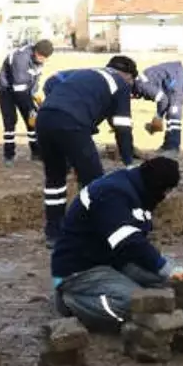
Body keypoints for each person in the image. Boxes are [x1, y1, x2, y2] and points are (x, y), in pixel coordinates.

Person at [50, 157, 183, 332]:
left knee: (171, 284)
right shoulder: (111, 193)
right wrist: (165, 267)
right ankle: (71, 302)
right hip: (80, 270)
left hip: (113, 261)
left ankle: (116, 288)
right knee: (136, 304)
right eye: (165, 191)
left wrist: (171, 271)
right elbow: (127, 240)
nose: (164, 197)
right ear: (156, 185)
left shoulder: (138, 188)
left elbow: (138, 242)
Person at [35, 56, 138, 246]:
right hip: (72, 124)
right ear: (128, 77)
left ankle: (54, 234)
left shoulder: (86, 72)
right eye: (132, 83)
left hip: (44, 119)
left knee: (55, 180)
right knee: (94, 181)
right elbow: (123, 127)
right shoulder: (121, 85)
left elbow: (52, 83)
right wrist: (129, 161)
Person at [0, 39, 54, 166]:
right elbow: (19, 88)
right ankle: (9, 155)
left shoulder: (38, 58)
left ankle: (36, 152)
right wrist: (31, 109)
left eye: (45, 58)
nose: (43, 60)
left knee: (32, 121)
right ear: (35, 52)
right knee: (10, 121)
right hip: (7, 90)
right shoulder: (20, 58)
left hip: (24, 90)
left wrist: (36, 98)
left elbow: (34, 79)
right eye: (41, 57)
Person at [134, 61, 183, 156]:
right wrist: (158, 117)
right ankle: (167, 146)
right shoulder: (141, 82)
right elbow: (161, 98)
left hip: (176, 80)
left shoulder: (141, 85)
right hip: (175, 80)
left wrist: (158, 116)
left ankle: (173, 148)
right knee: (171, 111)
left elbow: (162, 99)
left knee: (173, 113)